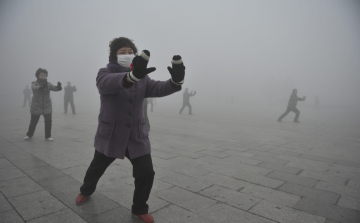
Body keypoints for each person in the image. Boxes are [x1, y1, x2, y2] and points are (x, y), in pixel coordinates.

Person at [76, 37, 185, 223]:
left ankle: (139, 208)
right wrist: (130, 77)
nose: (127, 54)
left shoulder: (142, 77)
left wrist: (175, 81)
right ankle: (86, 190)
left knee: (146, 172)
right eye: (122, 52)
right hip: (111, 135)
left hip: (136, 135)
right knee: (97, 167)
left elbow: (158, 88)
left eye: (129, 51)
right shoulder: (105, 72)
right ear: (114, 55)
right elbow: (106, 84)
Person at [24, 68, 62, 141]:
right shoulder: (34, 83)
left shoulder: (48, 84)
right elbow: (34, 88)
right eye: (41, 75)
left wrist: (59, 87)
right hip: (36, 105)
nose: (43, 76)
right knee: (33, 121)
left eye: (44, 75)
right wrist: (41, 88)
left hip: (47, 105)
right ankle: (29, 135)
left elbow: (54, 88)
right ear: (38, 76)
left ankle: (48, 136)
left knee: (48, 121)